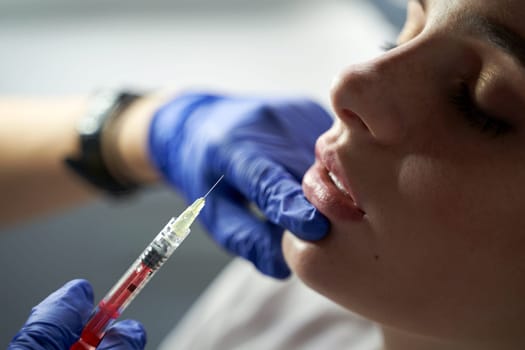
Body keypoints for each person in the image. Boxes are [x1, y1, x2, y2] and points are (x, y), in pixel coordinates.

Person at [4, 0, 525, 348]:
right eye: (398, 37)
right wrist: (140, 130)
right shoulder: (308, 286)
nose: (350, 84)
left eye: (477, 100)